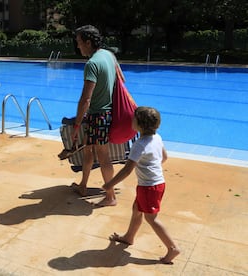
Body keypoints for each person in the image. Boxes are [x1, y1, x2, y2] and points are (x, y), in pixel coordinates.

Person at [102, 106, 180, 264]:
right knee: (137, 209)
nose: (131, 120)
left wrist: (110, 184)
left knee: (151, 218)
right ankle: (129, 236)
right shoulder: (157, 137)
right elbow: (164, 157)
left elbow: (127, 170)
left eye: (133, 118)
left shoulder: (140, 145)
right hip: (157, 183)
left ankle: (172, 248)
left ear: (140, 125)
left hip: (149, 187)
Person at [70, 25, 118, 206]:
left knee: (103, 155)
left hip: (99, 115)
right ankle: (83, 185)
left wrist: (76, 125)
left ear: (88, 42)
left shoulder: (92, 64)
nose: (78, 47)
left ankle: (111, 196)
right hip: (103, 113)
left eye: (79, 43)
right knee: (88, 149)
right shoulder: (108, 55)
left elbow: (86, 99)